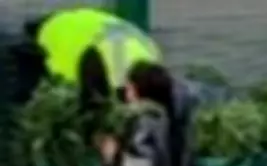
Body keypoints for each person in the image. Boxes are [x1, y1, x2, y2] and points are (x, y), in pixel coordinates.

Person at [14, 7, 162, 110]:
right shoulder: (109, 74)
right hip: (57, 33)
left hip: (85, 23)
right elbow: (91, 105)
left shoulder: (151, 54)